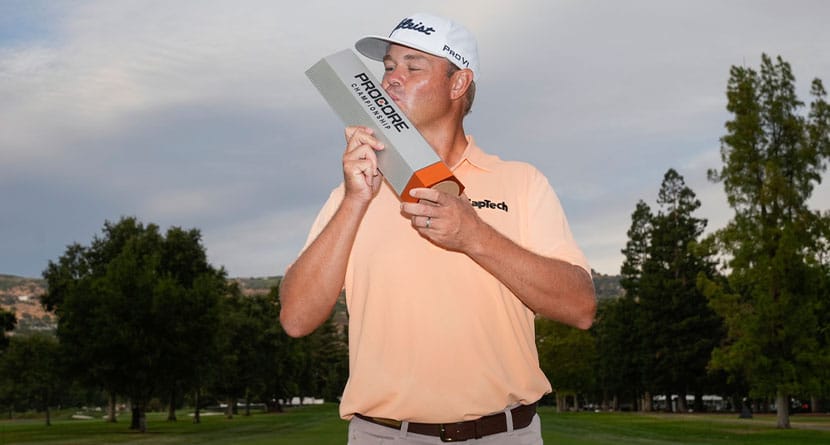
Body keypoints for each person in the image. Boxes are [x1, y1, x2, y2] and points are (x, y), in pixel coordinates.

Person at [280, 12, 596, 444]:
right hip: (383, 435)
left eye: (413, 67)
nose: (391, 79)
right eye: (389, 67)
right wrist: (356, 199)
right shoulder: (353, 191)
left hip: (504, 434)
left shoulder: (522, 183)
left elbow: (580, 307)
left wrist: (475, 237)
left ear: (458, 84)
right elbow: (296, 319)